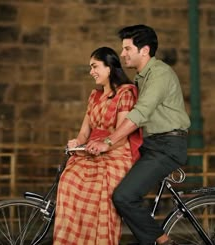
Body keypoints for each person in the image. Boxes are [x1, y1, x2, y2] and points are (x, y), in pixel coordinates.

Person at [86, 25, 191, 245]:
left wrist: (108, 142)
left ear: (144, 50)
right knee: (108, 183)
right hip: (151, 144)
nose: (122, 54)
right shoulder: (141, 78)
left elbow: (140, 114)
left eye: (127, 49)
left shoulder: (159, 74)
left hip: (167, 145)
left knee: (124, 196)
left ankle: (163, 241)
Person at [53, 47, 142, 245]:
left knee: (95, 191)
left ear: (109, 68)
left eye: (95, 66)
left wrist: (103, 145)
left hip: (116, 152)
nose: (91, 71)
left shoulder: (125, 93)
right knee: (68, 180)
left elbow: (121, 133)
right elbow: (85, 131)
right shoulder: (94, 96)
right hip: (92, 150)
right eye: (90, 67)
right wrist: (77, 142)